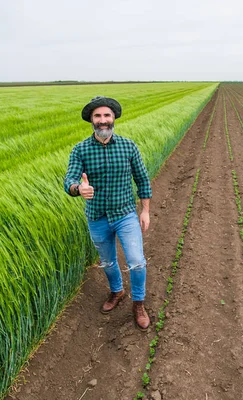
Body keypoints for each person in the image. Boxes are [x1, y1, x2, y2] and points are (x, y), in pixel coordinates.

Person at [64, 96, 152, 331]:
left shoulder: (128, 146)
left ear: (113, 118)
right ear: (91, 120)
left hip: (125, 215)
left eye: (106, 115)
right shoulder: (80, 150)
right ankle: (117, 291)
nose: (102, 120)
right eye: (97, 116)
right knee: (107, 261)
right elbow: (70, 180)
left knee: (137, 262)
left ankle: (138, 304)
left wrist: (145, 211)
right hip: (97, 217)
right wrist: (78, 188)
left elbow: (142, 179)